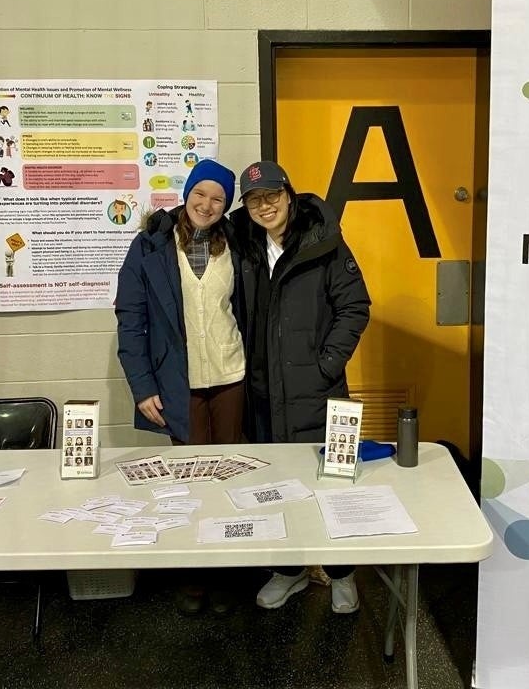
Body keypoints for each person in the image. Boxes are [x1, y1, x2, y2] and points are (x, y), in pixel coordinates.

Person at [230, 160, 370, 615]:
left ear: (289, 195)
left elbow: (355, 306)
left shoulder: (323, 244)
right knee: (276, 485)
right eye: (254, 199)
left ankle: (342, 574)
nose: (264, 206)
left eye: (272, 195)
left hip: (318, 390)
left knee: (331, 485)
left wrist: (326, 365)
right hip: (265, 392)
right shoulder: (245, 247)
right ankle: (288, 571)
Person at [116, 158, 246, 615]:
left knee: (231, 476)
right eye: (201, 194)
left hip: (231, 376)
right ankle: (194, 578)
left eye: (218, 198)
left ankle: (229, 576)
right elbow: (130, 322)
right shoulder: (149, 245)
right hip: (177, 384)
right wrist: (142, 385)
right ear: (186, 194)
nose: (207, 205)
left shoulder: (237, 245)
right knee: (192, 482)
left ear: (226, 206)